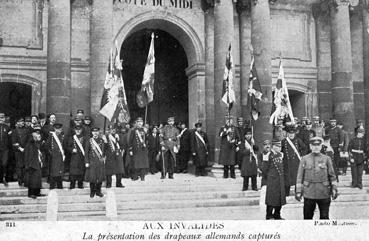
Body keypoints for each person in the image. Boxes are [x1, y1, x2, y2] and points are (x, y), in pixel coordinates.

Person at [295, 137, 338, 219]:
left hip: (324, 192)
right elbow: (299, 177)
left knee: (324, 218)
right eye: (313, 145)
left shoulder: (327, 159)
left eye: (318, 145)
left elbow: (332, 176)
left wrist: (334, 188)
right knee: (307, 217)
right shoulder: (304, 159)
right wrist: (298, 191)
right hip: (309, 192)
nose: (316, 147)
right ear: (310, 146)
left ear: (321, 146)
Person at [262, 139, 287, 220]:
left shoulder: (281, 155)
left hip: (280, 180)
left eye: (280, 147)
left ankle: (277, 214)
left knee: (279, 198)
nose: (279, 148)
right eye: (277, 146)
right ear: (273, 146)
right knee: (271, 198)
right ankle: (269, 215)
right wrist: (268, 178)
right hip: (272, 180)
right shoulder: (268, 155)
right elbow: (265, 169)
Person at [281, 124, 307, 196]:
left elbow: (304, 148)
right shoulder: (284, 141)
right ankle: (286, 194)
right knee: (287, 179)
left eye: (292, 133)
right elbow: (280, 150)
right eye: (289, 133)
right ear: (287, 134)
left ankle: (297, 193)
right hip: (286, 163)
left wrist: (302, 156)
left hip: (296, 162)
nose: (291, 135)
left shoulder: (298, 140)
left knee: (296, 178)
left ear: (295, 133)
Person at [24, 128, 46, 199]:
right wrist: (28, 165)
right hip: (32, 165)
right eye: (37, 134)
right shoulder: (30, 144)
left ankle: (37, 192)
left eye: (39, 134)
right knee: (32, 180)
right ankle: (31, 193)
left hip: (38, 163)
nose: (39, 135)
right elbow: (28, 155)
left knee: (37, 179)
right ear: (33, 135)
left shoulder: (38, 143)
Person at [85, 127, 106, 198]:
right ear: (92, 133)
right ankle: (92, 191)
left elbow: (104, 151)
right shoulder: (89, 141)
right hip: (92, 162)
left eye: (97, 131)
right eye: (94, 132)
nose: (95, 133)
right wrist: (86, 161)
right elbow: (86, 153)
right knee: (92, 178)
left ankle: (98, 191)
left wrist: (106, 142)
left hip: (100, 161)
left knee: (100, 177)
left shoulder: (102, 140)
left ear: (99, 132)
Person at [45, 123, 65, 189]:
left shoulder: (62, 136)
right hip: (53, 157)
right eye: (57, 129)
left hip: (60, 156)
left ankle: (59, 186)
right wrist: (50, 153)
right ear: (54, 129)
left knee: (60, 171)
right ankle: (52, 186)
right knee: (53, 171)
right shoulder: (51, 136)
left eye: (59, 129)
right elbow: (47, 146)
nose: (58, 131)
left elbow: (64, 146)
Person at [12, 117, 29, 186]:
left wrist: (26, 148)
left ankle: (25, 180)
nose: (22, 122)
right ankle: (20, 180)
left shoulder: (27, 130)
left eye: (23, 121)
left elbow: (28, 140)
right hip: (18, 152)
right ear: (17, 123)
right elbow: (13, 142)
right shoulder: (14, 131)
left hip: (26, 151)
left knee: (25, 166)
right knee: (19, 166)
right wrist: (20, 148)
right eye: (20, 121)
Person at [0, 113, 12, 186]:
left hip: (5, 149)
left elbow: (10, 139)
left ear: (4, 119)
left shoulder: (7, 128)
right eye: (0, 117)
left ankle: (4, 178)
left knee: (4, 164)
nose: (1, 119)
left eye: (2, 118)